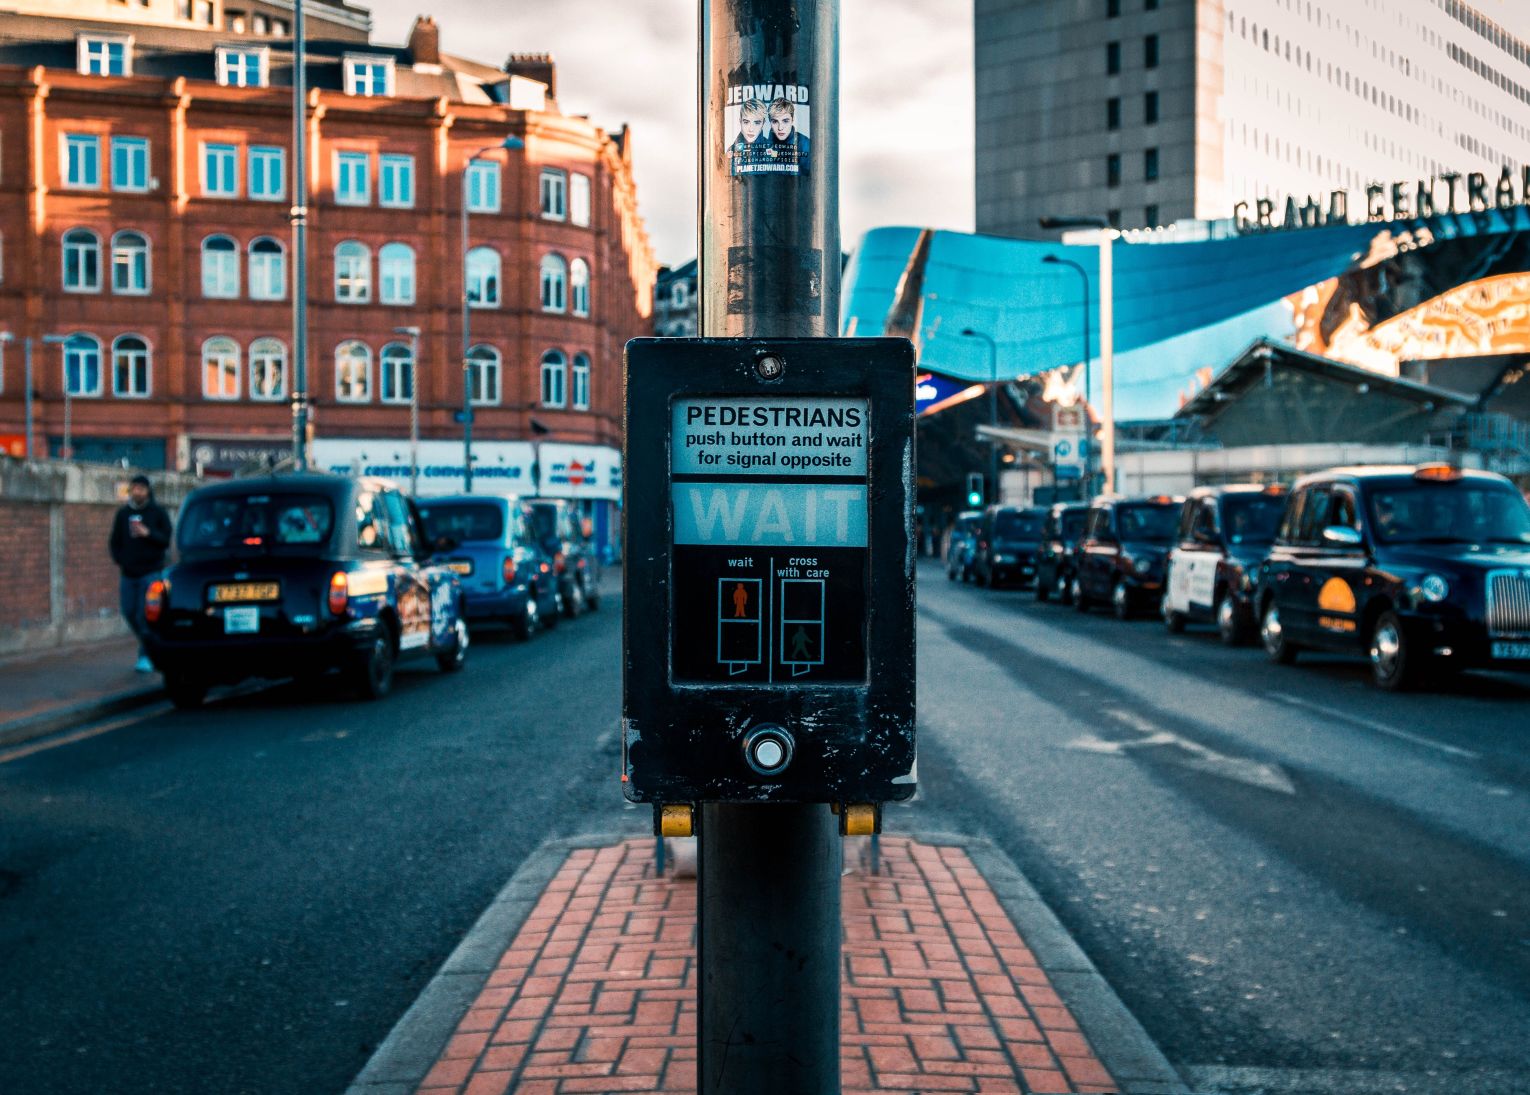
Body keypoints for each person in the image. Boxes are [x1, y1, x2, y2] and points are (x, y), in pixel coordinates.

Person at [109, 474, 172, 672]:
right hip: (129, 573)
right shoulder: (123, 514)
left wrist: (148, 533)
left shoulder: (157, 513)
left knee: (145, 615)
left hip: (151, 573)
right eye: (134, 488)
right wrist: (121, 560)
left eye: (141, 489)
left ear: (147, 491)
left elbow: (166, 539)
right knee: (129, 612)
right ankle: (151, 645)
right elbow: (114, 541)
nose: (137, 492)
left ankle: (146, 655)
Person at [764, 97, 810, 173]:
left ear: (792, 119)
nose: (780, 128)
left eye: (785, 121)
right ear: (770, 121)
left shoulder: (805, 144)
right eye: (775, 121)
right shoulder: (763, 145)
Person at [728, 99, 769, 175]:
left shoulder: (771, 148)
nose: (751, 129)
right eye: (746, 122)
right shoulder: (731, 151)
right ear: (740, 121)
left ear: (763, 123)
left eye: (757, 123)